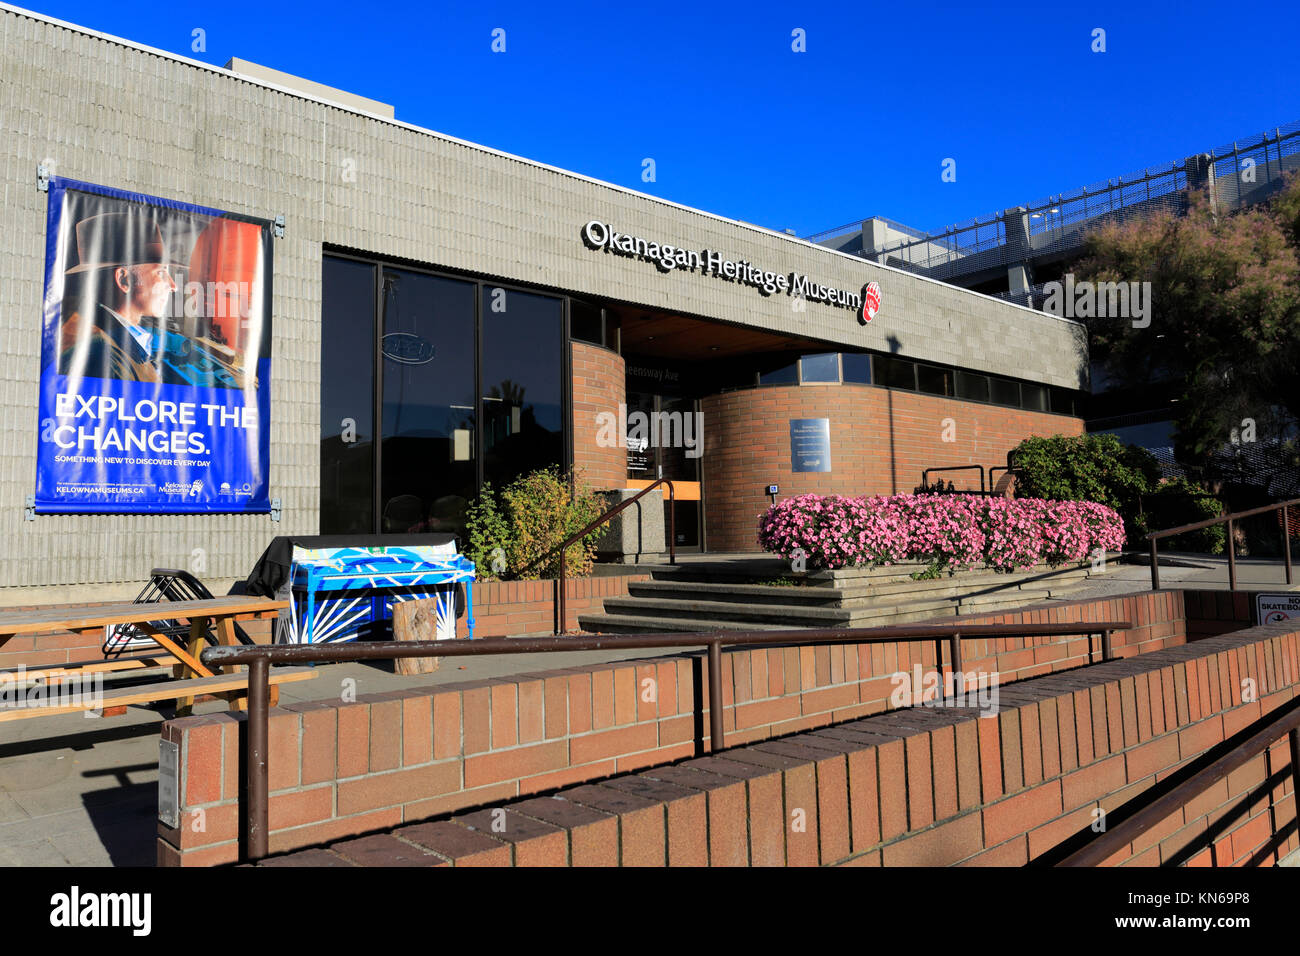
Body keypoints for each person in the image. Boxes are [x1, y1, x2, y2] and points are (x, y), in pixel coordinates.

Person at [57, 212, 177, 382]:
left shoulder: (95, 332)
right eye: (161, 272)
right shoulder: (102, 358)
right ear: (124, 279)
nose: (173, 285)